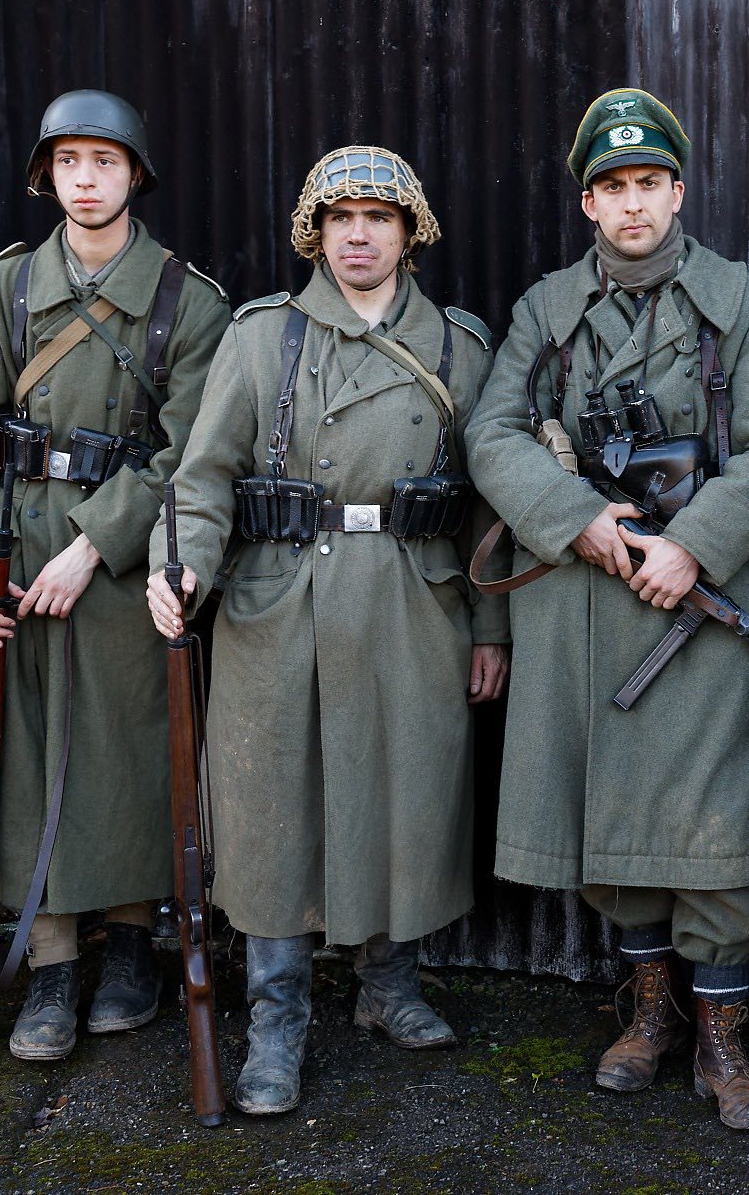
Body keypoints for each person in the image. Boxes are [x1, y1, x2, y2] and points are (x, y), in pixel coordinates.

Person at [466, 88, 749, 1131]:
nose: (631, 204)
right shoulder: (544, 311)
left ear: (678, 191)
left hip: (707, 603)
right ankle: (650, 1012)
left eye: (648, 183)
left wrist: (694, 543)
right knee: (613, 834)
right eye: (611, 187)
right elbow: (492, 434)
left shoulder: (743, 304)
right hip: (588, 599)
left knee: (717, 831)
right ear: (587, 203)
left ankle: (722, 1038)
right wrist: (573, 517)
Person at [146, 145, 509, 1115]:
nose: (358, 235)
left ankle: (388, 984)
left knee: (403, 795)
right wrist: (179, 564)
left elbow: (488, 508)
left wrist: (492, 627)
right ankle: (277, 1019)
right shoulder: (263, 336)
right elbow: (203, 475)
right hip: (279, 601)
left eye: (378, 218)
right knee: (271, 808)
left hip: (411, 602)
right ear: (315, 232)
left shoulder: (458, 347)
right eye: (340, 218)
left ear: (409, 234)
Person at [0, 89, 231, 1061]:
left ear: (135, 173)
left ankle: (132, 948)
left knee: (127, 749)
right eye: (68, 162)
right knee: (15, 756)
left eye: (104, 161)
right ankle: (51, 961)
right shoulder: (4, 292)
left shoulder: (188, 302)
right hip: (11, 551)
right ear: (45, 176)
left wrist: (96, 543)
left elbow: (190, 452)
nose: (86, 180)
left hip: (123, 556)